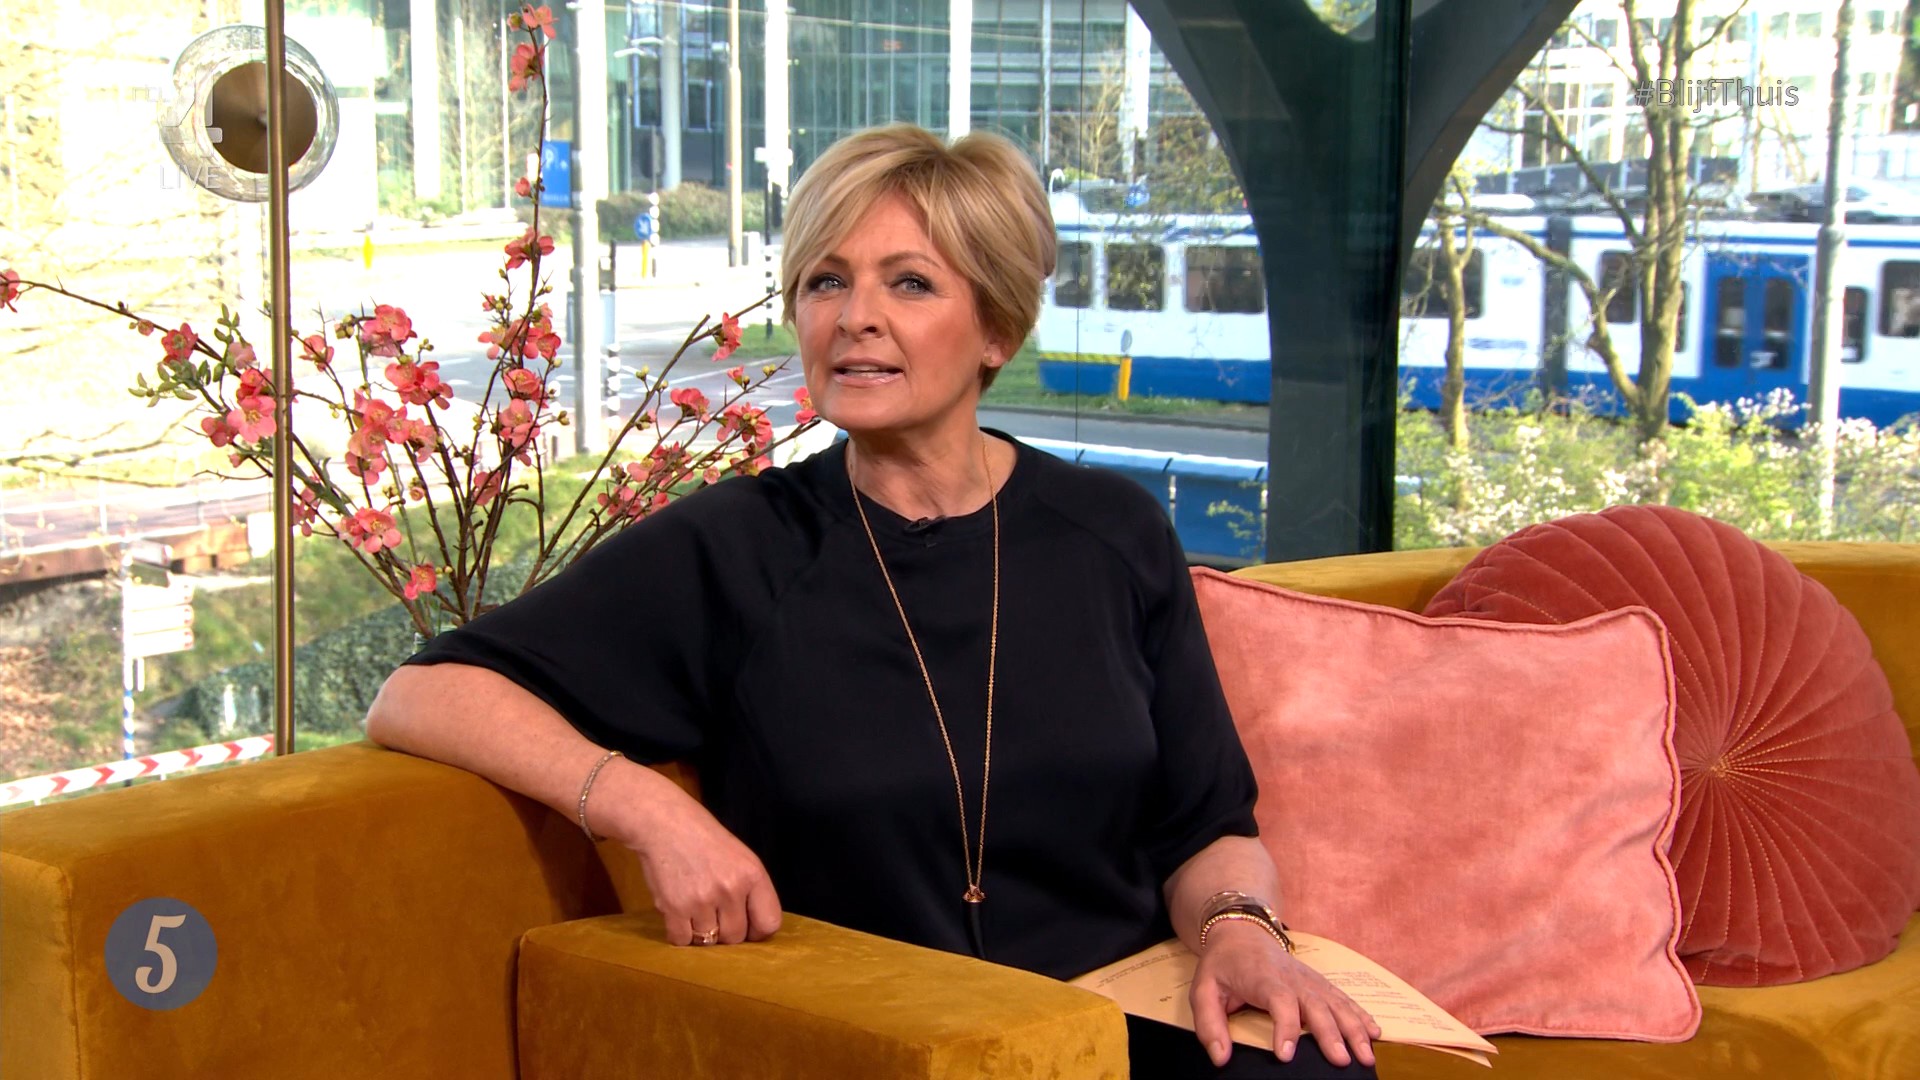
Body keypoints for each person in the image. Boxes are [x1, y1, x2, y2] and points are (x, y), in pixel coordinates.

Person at [366, 123, 1378, 1078]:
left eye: (910, 282)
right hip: (881, 1043)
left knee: (1321, 1063)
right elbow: (422, 694)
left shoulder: (1113, 533)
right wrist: (647, 811)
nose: (855, 316)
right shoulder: (733, 546)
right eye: (825, 281)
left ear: (996, 328)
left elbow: (1208, 827)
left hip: (1119, 1026)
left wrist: (1242, 933)